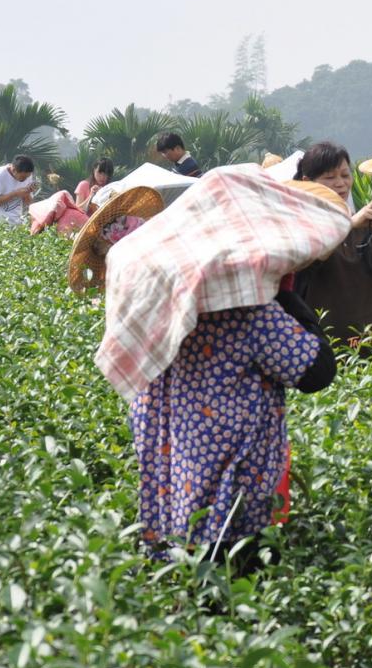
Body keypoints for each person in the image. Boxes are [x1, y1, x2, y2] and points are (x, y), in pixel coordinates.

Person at [94, 168, 350, 575]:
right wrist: (288, 297)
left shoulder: (158, 292)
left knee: (177, 580)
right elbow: (316, 371)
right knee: (231, 591)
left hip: (168, 478)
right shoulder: (248, 311)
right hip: (229, 497)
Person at [291, 141, 372, 350]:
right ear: (308, 182)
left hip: (367, 343)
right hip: (319, 347)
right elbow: (305, 263)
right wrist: (348, 225)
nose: (341, 183)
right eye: (330, 177)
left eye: (344, 175)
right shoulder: (301, 227)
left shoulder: (362, 224)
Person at [30, 159, 115, 235]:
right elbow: (78, 209)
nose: (102, 177)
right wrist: (91, 196)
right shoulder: (84, 185)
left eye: (106, 174)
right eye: (100, 173)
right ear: (94, 171)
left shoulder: (111, 189)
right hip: (84, 225)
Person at [0, 155, 37, 226]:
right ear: (14, 170)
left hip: (16, 222)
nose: (25, 179)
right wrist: (15, 193)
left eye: (27, 177)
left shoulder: (27, 176)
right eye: (22, 177)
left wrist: (27, 192)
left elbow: (29, 203)